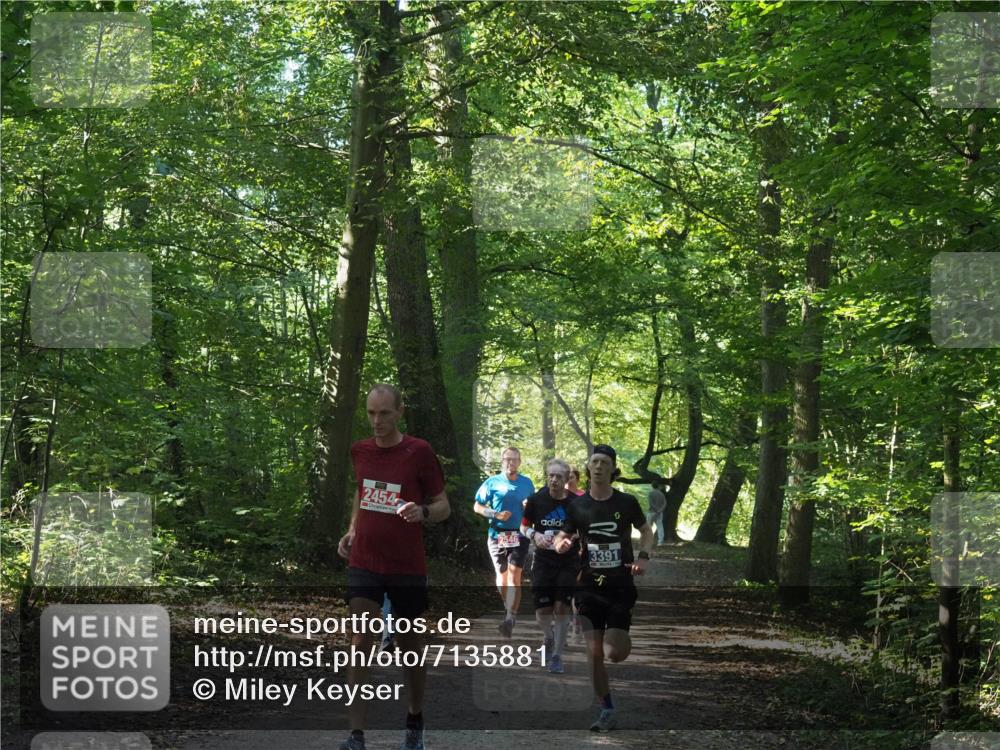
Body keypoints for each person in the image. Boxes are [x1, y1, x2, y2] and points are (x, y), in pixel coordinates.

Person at [336, 384, 451, 750]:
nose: (376, 421)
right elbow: (361, 491)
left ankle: (415, 717)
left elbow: (443, 505)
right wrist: (352, 529)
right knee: (360, 641)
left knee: (409, 647)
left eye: (384, 413)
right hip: (365, 559)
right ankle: (356, 735)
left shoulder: (419, 451)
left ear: (400, 411)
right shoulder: (360, 450)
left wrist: (423, 512)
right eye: (371, 413)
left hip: (406, 564)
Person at [554, 444, 654, 732]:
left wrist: (643, 557)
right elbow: (566, 532)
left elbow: (645, 531)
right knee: (594, 653)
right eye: (594, 461)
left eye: (604, 462)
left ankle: (620, 636)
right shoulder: (576, 505)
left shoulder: (626, 502)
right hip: (586, 587)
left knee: (614, 653)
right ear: (588, 468)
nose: (598, 466)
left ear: (613, 469)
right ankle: (606, 708)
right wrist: (562, 542)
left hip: (620, 586)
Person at [520, 457, 579, 674]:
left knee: (562, 606)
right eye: (550, 475)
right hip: (543, 560)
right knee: (542, 609)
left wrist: (569, 541)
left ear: (566, 479)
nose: (553, 480)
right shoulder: (536, 500)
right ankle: (548, 636)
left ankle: (557, 656)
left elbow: (582, 530)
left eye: (558, 477)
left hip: (568, 561)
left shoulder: (575, 502)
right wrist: (534, 535)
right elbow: (523, 526)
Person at [473, 446, 535, 637]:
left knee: (515, 575)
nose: (511, 462)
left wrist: (529, 507)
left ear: (520, 462)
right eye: (508, 459)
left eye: (515, 459)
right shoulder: (492, 483)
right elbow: (477, 506)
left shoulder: (527, 483)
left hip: (519, 534)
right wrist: (495, 514)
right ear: (502, 461)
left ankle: (510, 616)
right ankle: (508, 608)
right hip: (497, 534)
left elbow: (534, 509)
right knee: (502, 576)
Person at [647, 481, 667, 546]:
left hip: (651, 512)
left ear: (652, 486)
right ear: (658, 486)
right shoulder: (661, 494)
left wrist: (656, 510)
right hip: (659, 513)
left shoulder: (650, 493)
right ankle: (660, 542)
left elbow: (651, 503)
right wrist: (659, 511)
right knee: (660, 527)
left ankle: (648, 541)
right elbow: (665, 503)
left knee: (649, 527)